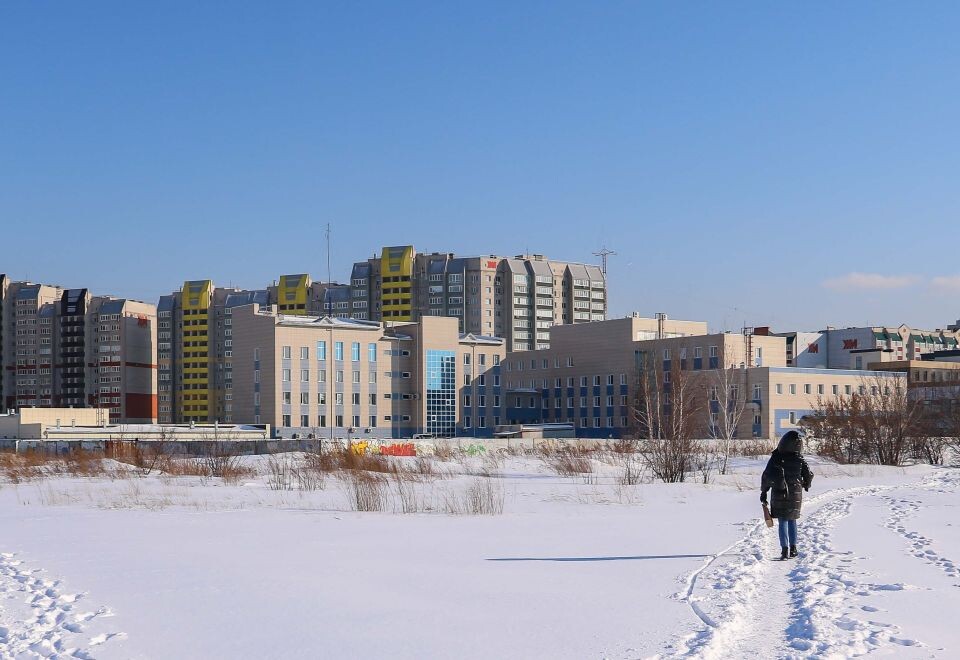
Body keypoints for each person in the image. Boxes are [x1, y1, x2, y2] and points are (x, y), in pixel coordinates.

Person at [761, 430, 814, 560]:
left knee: (783, 521)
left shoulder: (776, 457)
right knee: (792, 521)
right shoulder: (799, 459)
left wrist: (764, 492)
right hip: (795, 495)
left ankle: (784, 550)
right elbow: (808, 475)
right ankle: (793, 549)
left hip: (779, 493)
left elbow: (767, 476)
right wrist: (806, 485)